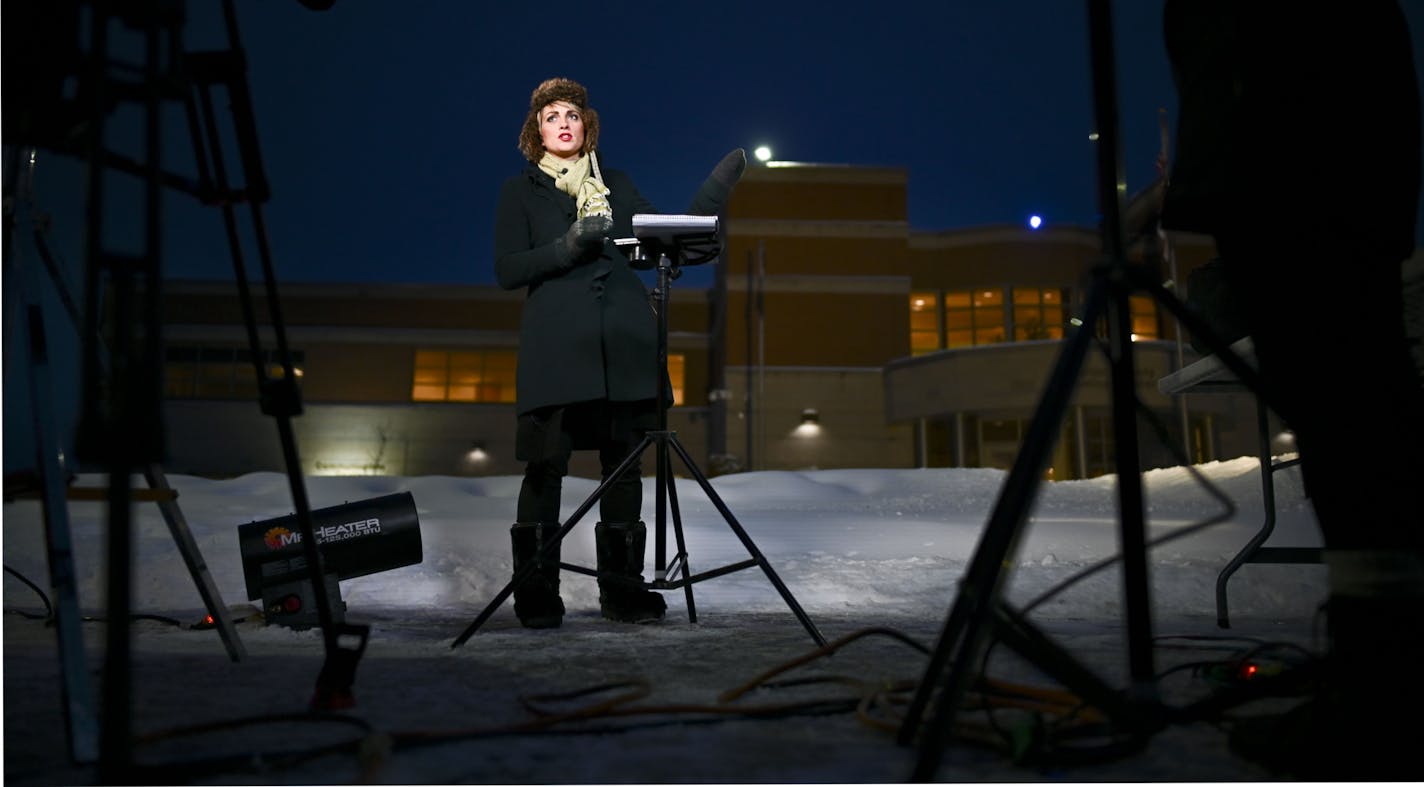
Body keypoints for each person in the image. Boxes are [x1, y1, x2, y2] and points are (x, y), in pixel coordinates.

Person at [1160, 2, 1424, 779]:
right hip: (1299, 137)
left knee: (1349, 402)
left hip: (1293, 139)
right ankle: (1377, 657)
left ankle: (1384, 677)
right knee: (1343, 400)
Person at [493, 77, 745, 629]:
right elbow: (509, 269)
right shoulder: (521, 192)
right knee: (544, 468)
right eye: (551, 115)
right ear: (535, 131)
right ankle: (536, 594)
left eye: (573, 115)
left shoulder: (618, 184)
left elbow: (664, 242)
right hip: (558, 353)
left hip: (628, 349)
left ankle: (623, 592)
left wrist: (712, 196)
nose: (563, 122)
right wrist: (566, 246)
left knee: (625, 469)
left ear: (588, 126)